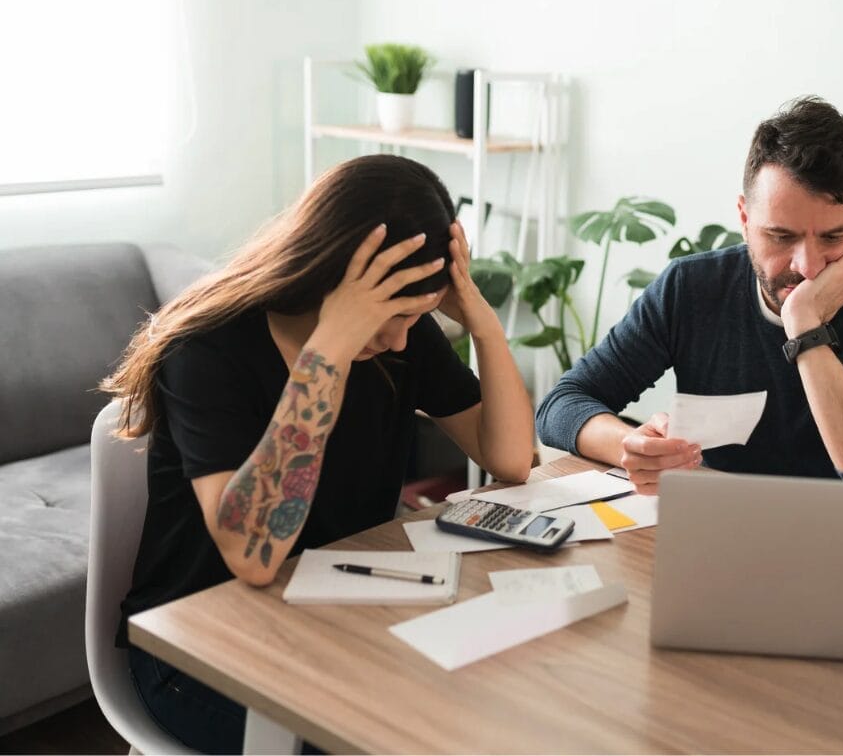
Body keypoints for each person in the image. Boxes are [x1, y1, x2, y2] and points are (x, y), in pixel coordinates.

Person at [101, 154, 533, 753]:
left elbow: (511, 460)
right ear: (330, 279)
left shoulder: (397, 339)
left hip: (344, 617)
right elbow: (254, 557)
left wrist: (483, 324)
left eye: (418, 316)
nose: (401, 338)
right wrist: (330, 348)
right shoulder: (208, 350)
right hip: (200, 650)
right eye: (392, 317)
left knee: (484, 711)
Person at [536, 97, 843, 494]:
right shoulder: (691, 288)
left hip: (840, 543)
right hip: (714, 527)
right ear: (745, 219)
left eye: (835, 237)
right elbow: (561, 405)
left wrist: (806, 329)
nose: (808, 266)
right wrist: (632, 447)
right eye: (781, 236)